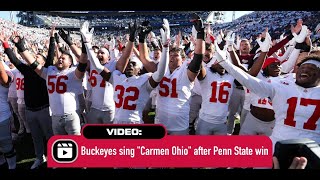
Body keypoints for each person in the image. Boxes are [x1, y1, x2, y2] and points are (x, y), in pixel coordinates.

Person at [214, 41, 320, 149]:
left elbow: (290, 62)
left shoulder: (286, 79)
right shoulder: (281, 84)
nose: (305, 70)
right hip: (269, 131)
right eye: (302, 67)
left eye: (311, 68)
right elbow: (247, 79)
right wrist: (224, 62)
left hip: (306, 145)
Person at [1, 31, 53, 169]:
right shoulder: (26, 70)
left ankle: (53, 157)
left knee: (49, 136)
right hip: (30, 109)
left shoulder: (46, 70)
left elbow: (51, 56)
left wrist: (52, 38)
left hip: (44, 108)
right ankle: (39, 157)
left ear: (42, 61)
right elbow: (14, 59)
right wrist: (5, 44)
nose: (33, 58)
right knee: (35, 137)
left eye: (37, 57)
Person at [154, 13, 205, 135]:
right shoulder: (161, 69)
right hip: (160, 122)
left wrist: (200, 35)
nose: (171, 58)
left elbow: (198, 59)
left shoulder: (185, 71)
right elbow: (145, 59)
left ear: (183, 59)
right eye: (170, 55)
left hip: (179, 125)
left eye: (175, 56)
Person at [0, 58, 16, 169]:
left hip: (2, 117)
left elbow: (2, 74)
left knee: (6, 144)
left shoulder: (5, 78)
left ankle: (12, 166)